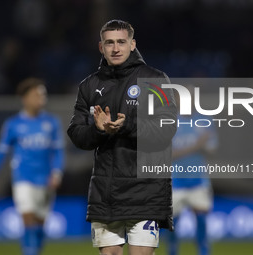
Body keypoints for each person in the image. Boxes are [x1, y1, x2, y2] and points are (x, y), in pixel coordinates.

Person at [67, 20, 177, 255]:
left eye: (121, 42)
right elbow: (76, 134)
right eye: (109, 43)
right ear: (101, 47)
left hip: (146, 189)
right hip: (106, 191)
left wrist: (127, 126)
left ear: (132, 44)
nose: (115, 48)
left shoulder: (157, 80)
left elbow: (167, 128)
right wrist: (98, 131)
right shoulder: (89, 86)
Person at [0, 77, 65, 255]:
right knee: (28, 219)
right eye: (37, 95)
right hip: (23, 178)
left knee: (40, 226)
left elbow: (58, 152)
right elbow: (0, 153)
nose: (42, 99)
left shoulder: (52, 123)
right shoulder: (13, 124)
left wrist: (57, 173)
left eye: (43, 95)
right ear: (25, 98)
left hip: (46, 179)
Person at [168, 92, 218, 255]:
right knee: (172, 223)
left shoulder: (204, 120)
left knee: (202, 218)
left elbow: (212, 149)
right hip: (176, 181)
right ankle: (173, 250)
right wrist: (197, 145)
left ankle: (203, 251)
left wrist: (204, 146)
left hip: (198, 179)